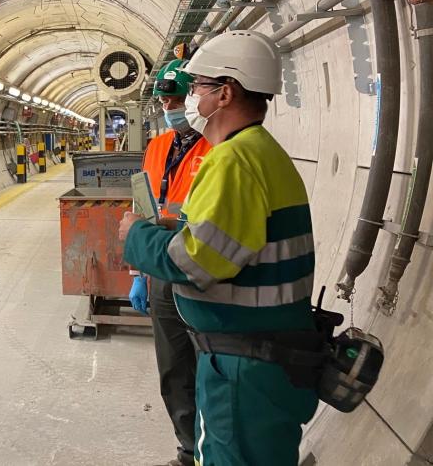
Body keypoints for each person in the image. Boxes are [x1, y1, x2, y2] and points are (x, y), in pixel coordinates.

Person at [119, 31, 318, 466]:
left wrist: (136, 236)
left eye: (197, 87)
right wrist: (176, 226)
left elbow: (198, 263)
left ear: (225, 93)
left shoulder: (231, 159)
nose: (190, 98)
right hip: (270, 353)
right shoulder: (263, 152)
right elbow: (233, 240)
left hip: (244, 362)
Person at [130, 59, 211, 466]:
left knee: (209, 364)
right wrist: (138, 272)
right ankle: (187, 447)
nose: (170, 107)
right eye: (165, 100)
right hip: (160, 267)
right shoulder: (158, 146)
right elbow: (142, 205)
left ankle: (212, 446)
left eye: (178, 98)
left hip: (201, 270)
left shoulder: (218, 146)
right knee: (173, 367)